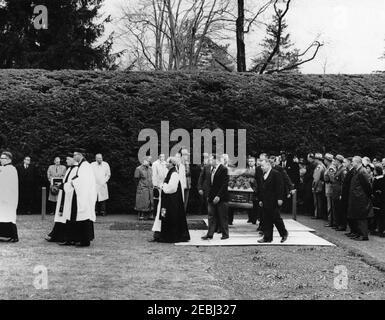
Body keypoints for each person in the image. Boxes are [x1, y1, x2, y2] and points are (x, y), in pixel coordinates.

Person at [63, 149, 97, 247]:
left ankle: (85, 241)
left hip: (85, 195)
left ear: (80, 155)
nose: (73, 157)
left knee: (84, 217)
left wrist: (72, 182)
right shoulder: (82, 165)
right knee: (82, 217)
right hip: (82, 194)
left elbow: (83, 180)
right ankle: (80, 239)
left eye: (75, 155)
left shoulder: (85, 166)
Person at [155, 157, 190, 243]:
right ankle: (160, 234)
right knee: (163, 216)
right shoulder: (170, 173)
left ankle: (169, 236)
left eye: (167, 162)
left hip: (171, 203)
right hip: (166, 202)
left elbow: (172, 189)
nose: (166, 164)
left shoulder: (174, 174)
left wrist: (163, 186)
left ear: (171, 164)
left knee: (168, 217)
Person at [45, 154, 78, 243]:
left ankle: (63, 236)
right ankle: (56, 235)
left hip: (68, 196)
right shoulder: (69, 169)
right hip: (62, 193)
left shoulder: (75, 170)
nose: (66, 161)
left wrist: (62, 185)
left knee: (65, 216)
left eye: (67, 159)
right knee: (60, 215)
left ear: (73, 159)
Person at [257, 159, 288, 243]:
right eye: (260, 166)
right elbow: (261, 188)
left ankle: (284, 233)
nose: (261, 167)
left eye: (262, 166)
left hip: (274, 200)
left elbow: (280, 187)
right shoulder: (263, 174)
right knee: (266, 219)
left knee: (276, 218)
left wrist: (280, 198)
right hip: (265, 200)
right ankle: (267, 237)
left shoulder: (275, 174)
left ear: (268, 165)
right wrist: (260, 199)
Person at [202, 154, 230, 240]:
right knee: (211, 216)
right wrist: (209, 196)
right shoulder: (211, 169)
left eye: (211, 160)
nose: (210, 162)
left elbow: (224, 184)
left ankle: (225, 234)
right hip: (211, 196)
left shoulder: (224, 169)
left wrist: (218, 196)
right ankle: (210, 233)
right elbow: (210, 184)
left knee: (222, 216)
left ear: (216, 160)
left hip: (221, 197)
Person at [347, 156, 373, 241]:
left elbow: (367, 186)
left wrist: (365, 196)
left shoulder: (362, 171)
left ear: (357, 162)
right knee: (357, 216)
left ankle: (363, 235)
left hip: (361, 198)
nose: (352, 163)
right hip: (356, 197)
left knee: (361, 217)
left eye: (353, 162)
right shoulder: (357, 171)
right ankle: (358, 233)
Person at [0, 152, 19, 242]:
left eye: (3, 158)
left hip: (8, 198)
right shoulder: (3, 168)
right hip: (2, 197)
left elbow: (10, 185)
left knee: (9, 216)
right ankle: (3, 235)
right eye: (1, 158)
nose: (1, 160)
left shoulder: (11, 169)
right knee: (2, 216)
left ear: (9, 160)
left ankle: (13, 236)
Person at [331, 155, 347, 231]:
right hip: (335, 192)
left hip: (339, 192)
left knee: (340, 209)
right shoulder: (338, 169)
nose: (334, 162)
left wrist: (341, 194)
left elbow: (343, 183)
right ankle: (337, 223)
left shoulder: (343, 170)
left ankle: (342, 225)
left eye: (335, 160)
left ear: (338, 161)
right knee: (336, 208)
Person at [152, 153, 168, 220]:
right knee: (157, 200)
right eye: (162, 156)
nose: (163, 158)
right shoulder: (155, 164)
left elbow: (167, 174)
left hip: (164, 185)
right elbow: (154, 174)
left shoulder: (166, 163)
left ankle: (163, 214)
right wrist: (155, 185)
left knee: (164, 200)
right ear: (159, 157)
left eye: (164, 156)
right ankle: (155, 214)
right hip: (157, 185)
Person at [323, 153, 337, 227]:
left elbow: (332, 179)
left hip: (330, 187)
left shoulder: (331, 168)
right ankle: (331, 221)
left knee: (330, 206)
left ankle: (331, 221)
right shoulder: (328, 167)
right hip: (328, 187)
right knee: (330, 205)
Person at [372, 165, 385, 237]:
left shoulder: (377, 179)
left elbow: (374, 189)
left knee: (378, 215)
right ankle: (380, 229)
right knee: (381, 215)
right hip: (381, 199)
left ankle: (377, 229)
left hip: (377, 199)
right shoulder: (382, 178)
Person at [312, 153, 326, 219]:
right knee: (319, 200)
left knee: (317, 201)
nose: (314, 161)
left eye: (315, 159)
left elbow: (316, 178)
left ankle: (317, 214)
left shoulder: (319, 167)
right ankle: (320, 214)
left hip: (318, 186)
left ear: (317, 159)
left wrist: (313, 187)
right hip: (321, 185)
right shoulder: (323, 166)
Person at [245, 156, 258, 224]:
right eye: (249, 161)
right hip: (248, 188)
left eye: (252, 161)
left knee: (255, 204)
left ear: (255, 162)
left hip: (256, 188)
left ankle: (254, 218)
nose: (250, 162)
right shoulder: (246, 169)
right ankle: (250, 218)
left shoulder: (258, 169)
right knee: (249, 203)